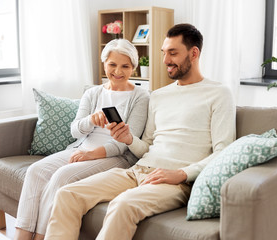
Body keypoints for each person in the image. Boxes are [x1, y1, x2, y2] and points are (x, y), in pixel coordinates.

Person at [44, 23, 236, 240]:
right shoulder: (160, 95)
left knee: (122, 205)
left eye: (173, 53)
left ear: (193, 53)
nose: (165, 61)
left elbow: (224, 150)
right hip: (138, 170)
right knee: (68, 194)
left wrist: (181, 174)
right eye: (164, 53)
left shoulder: (219, 93)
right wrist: (128, 139)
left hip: (176, 181)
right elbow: (147, 145)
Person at [14, 39, 150, 240]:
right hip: (81, 147)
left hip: (114, 156)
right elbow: (75, 131)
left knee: (62, 176)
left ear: (133, 68)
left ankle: (42, 236)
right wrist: (90, 120)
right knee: (36, 171)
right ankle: (22, 236)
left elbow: (124, 142)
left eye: (125, 66)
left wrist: (91, 154)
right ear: (104, 63)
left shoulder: (141, 96)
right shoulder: (92, 93)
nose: (118, 71)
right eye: (112, 64)